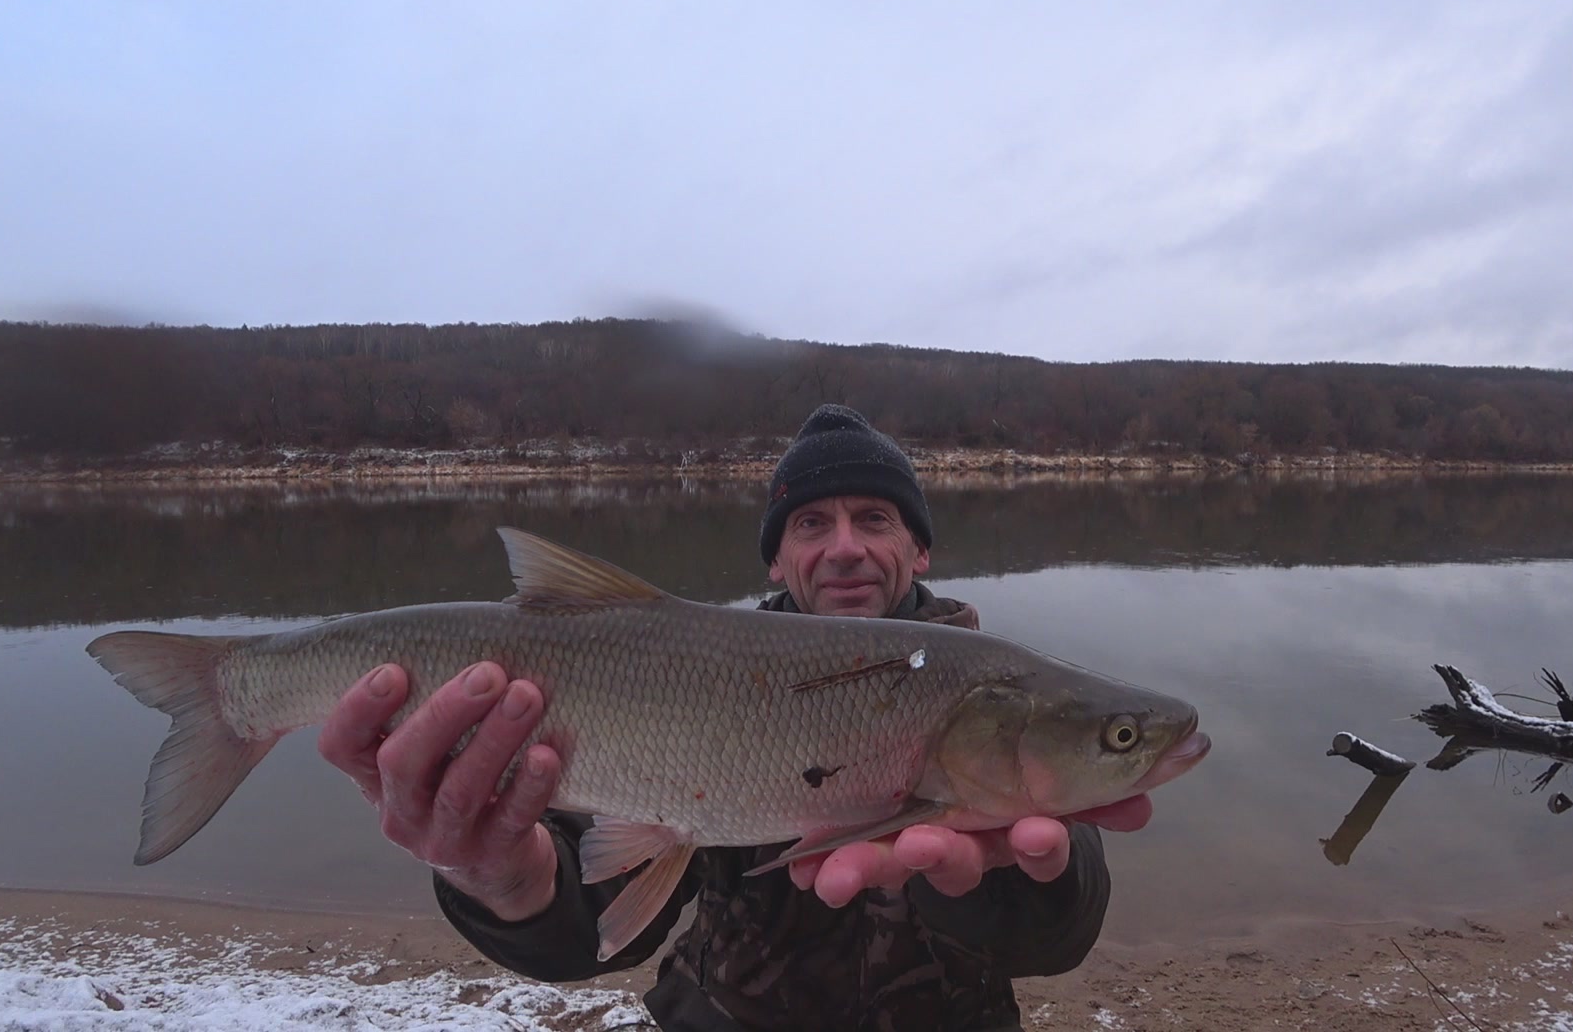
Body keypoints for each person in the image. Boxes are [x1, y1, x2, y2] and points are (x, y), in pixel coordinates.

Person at [317, 404, 1155, 1031]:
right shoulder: (687, 667)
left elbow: (1059, 937)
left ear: (919, 547)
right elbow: (587, 927)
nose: (845, 546)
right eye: (811, 523)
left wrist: (997, 874)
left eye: (874, 518)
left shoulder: (1000, 691)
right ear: (777, 559)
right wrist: (502, 879)